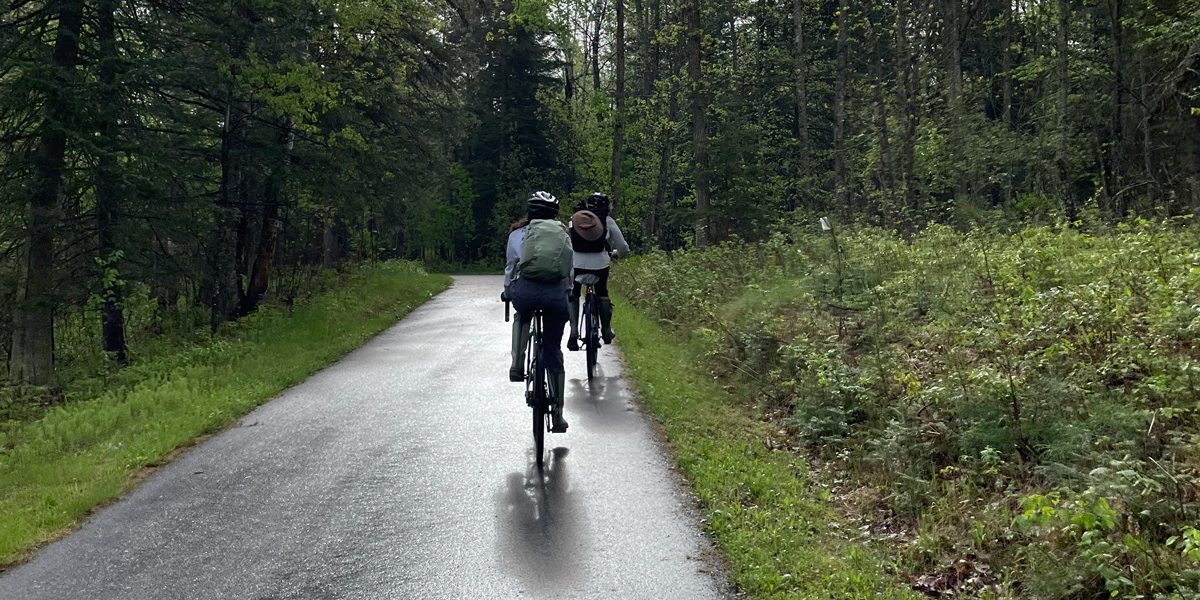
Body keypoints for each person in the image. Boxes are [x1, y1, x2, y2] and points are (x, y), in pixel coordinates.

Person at [503, 191, 573, 432]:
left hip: (527, 291)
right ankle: (558, 414)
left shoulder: (517, 234)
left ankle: (517, 363)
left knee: (522, 313)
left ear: (529, 213)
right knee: (553, 347)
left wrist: (507, 291)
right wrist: (569, 290)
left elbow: (511, 266)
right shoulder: (562, 233)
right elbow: (569, 266)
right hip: (555, 294)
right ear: (555, 214)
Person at [566, 192, 629, 351]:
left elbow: (566, 241)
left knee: (573, 293)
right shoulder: (607, 221)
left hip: (576, 264)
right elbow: (623, 247)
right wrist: (617, 254)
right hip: (600, 265)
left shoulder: (576, 219)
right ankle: (606, 331)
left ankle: (573, 333)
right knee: (602, 293)